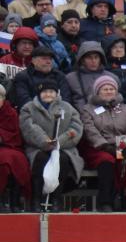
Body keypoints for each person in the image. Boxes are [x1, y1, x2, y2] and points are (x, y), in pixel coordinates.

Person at [79, 74, 126, 212]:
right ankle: (106, 201)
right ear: (97, 92)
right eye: (105, 89)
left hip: (122, 145)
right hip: (99, 147)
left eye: (112, 89)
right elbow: (89, 130)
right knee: (106, 160)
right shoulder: (88, 109)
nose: (109, 91)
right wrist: (104, 146)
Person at [19, 75, 84, 205]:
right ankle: (37, 198)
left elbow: (76, 128)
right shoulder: (28, 108)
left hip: (64, 147)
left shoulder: (67, 107)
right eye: (45, 92)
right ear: (39, 93)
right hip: (37, 147)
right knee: (40, 159)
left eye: (51, 92)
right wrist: (45, 142)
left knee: (63, 160)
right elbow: (29, 128)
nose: (48, 94)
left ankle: (56, 198)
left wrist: (59, 142)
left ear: (57, 93)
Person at [0, 76, 34, 210]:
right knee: (3, 163)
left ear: (4, 98)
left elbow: (15, 134)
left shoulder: (11, 113)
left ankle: (15, 200)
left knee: (16, 159)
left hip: (10, 146)